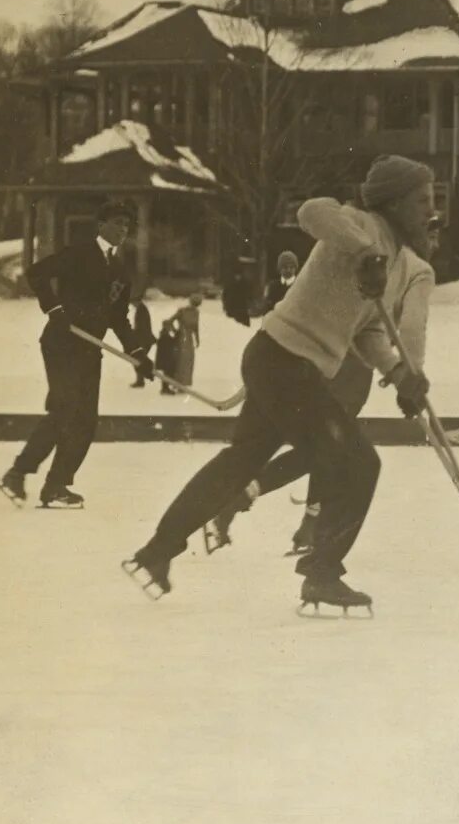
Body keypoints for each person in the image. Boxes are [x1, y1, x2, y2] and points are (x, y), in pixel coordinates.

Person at [126, 156, 438, 611]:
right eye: (422, 201)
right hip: (284, 360)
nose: (430, 211)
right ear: (392, 203)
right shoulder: (359, 226)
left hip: (287, 365)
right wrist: (362, 252)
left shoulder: (396, 265)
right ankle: (322, 574)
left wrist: (400, 374)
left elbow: (367, 330)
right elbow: (312, 211)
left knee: (241, 461)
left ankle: (156, 551)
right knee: (358, 463)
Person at [207, 213, 441, 561]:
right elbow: (412, 329)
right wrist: (411, 377)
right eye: (430, 232)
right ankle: (298, 525)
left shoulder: (374, 248)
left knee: (322, 447)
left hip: (316, 356)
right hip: (348, 363)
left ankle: (260, 503)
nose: (433, 243)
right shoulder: (418, 270)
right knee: (331, 447)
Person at [0, 200, 152, 509]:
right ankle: (17, 473)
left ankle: (56, 485)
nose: (123, 229)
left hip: (89, 348)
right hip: (61, 342)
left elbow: (118, 318)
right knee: (65, 408)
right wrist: (54, 309)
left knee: (86, 421)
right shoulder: (78, 254)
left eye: (127, 225)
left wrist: (137, 352)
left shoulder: (121, 271)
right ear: (101, 226)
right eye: (118, 222)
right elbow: (37, 273)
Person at [159, 294, 201, 395]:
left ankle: (182, 385)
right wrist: (175, 331)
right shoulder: (182, 311)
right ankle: (177, 385)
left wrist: (197, 338)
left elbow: (196, 327)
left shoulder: (196, 312)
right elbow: (168, 322)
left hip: (189, 340)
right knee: (179, 361)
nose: (195, 305)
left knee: (187, 362)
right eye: (194, 303)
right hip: (180, 339)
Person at [126, 293, 158, 388]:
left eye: (133, 303)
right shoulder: (141, 309)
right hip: (144, 338)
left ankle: (141, 380)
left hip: (144, 339)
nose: (132, 305)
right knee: (139, 359)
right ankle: (140, 380)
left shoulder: (141, 310)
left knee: (139, 359)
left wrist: (133, 333)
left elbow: (142, 327)